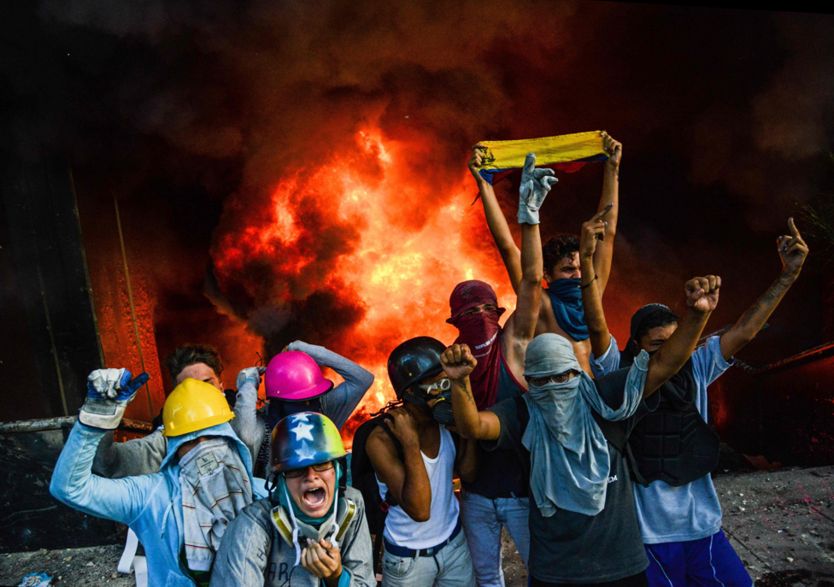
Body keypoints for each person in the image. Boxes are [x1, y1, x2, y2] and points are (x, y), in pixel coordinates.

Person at [445, 269, 721, 586]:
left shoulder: (606, 399)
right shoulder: (523, 411)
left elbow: (664, 365)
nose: (553, 386)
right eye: (541, 380)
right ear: (529, 382)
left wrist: (698, 316)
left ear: (576, 372)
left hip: (621, 567)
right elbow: (474, 426)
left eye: (562, 376)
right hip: (556, 571)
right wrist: (459, 381)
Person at [580, 217, 809, 586]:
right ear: (637, 345)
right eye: (658, 345)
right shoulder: (616, 376)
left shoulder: (697, 367)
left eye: (676, 343)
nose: (670, 354)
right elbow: (595, 326)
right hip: (646, 536)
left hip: (701, 526)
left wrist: (788, 276)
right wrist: (588, 261)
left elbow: (745, 331)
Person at [448, 152, 555, 585]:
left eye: (486, 309)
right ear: (455, 323)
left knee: (540, 575)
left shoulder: (512, 345)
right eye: (469, 313)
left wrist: (529, 216)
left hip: (523, 494)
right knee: (485, 579)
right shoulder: (452, 362)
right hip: (475, 496)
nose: (480, 317)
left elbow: (530, 281)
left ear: (499, 311)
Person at [51, 372, 254, 586]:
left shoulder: (259, 495)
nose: (204, 448)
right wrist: (92, 424)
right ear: (175, 448)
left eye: (214, 437)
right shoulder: (150, 497)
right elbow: (69, 489)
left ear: (231, 440)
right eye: (191, 441)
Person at [468, 131, 622, 374]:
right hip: (555, 404)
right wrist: (484, 184)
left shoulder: (592, 292)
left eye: (581, 269)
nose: (577, 275)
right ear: (547, 275)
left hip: (596, 404)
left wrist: (612, 168)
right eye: (568, 269)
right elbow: (508, 247)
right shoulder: (541, 304)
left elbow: (608, 232)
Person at [211, 411, 374, 586]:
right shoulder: (251, 525)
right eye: (295, 470)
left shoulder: (352, 504)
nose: (311, 476)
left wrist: (337, 577)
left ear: (338, 471)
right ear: (279, 482)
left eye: (321, 464)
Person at [364, 336, 478, 587]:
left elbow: (468, 474)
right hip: (408, 562)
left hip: (454, 546)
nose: (446, 392)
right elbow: (420, 510)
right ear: (411, 393)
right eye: (437, 386)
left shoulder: (445, 423)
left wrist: (465, 429)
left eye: (447, 382)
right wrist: (410, 444)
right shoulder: (382, 440)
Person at [93, 343, 257, 478]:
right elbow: (109, 464)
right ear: (175, 394)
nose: (199, 395)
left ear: (221, 385)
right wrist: (102, 415)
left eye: (207, 384)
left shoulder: (250, 417)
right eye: (188, 388)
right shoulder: (168, 439)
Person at [236, 340, 374, 478]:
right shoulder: (262, 425)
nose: (307, 406)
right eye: (298, 401)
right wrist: (248, 385)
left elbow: (362, 379)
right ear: (277, 402)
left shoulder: (323, 411)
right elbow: (246, 434)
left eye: (311, 398)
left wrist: (309, 351)